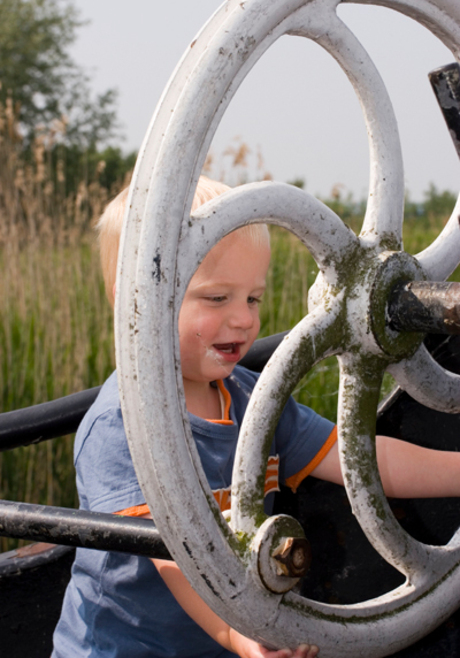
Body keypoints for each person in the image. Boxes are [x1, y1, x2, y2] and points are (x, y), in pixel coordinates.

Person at [53, 176, 460, 658]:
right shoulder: (120, 428)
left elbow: (361, 464)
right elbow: (174, 558)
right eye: (217, 298)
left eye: (253, 298)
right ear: (136, 300)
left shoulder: (255, 401)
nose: (244, 319)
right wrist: (239, 638)